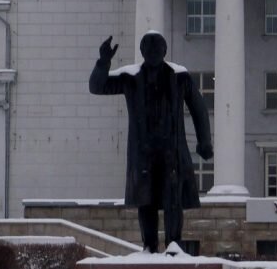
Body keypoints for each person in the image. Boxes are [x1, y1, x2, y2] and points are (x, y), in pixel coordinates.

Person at [89, 32, 213, 253]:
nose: (153, 53)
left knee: (172, 201)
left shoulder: (179, 76)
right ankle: (149, 247)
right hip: (143, 153)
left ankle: (174, 245)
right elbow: (97, 87)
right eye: (149, 50)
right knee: (146, 201)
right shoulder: (131, 77)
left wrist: (204, 141)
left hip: (171, 152)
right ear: (143, 52)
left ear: (164, 52)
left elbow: (199, 108)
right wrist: (104, 61)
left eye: (157, 50)